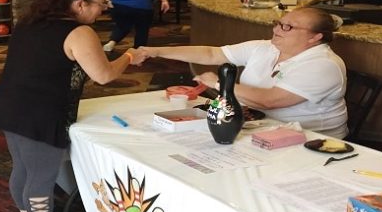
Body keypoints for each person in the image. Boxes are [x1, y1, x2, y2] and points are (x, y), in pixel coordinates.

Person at [0, 0, 145, 212]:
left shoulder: (30, 21)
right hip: (41, 113)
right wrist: (130, 57)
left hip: (10, 105)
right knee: (42, 175)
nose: (105, 8)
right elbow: (103, 75)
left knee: (23, 168)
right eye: (101, 3)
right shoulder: (79, 32)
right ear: (80, 4)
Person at [139, 7, 348, 138]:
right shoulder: (266, 47)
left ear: (315, 37)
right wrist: (155, 51)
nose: (276, 29)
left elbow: (270, 101)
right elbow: (212, 54)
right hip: (258, 126)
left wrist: (219, 84)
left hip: (308, 139)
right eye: (278, 23)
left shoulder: (323, 64)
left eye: (288, 27)